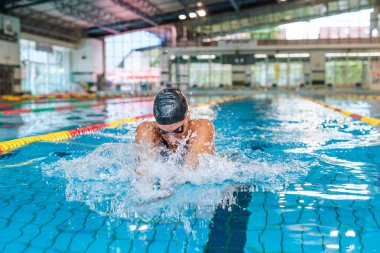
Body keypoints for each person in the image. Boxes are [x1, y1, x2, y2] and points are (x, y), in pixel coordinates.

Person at [135, 88, 214, 169]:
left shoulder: (201, 127)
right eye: (163, 131)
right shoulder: (147, 130)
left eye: (178, 130)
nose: (171, 140)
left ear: (188, 116)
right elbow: (143, 171)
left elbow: (193, 168)